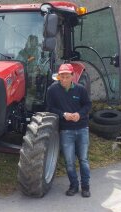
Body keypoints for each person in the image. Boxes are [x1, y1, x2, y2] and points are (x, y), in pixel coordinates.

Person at [46, 63, 92, 197]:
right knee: (69, 161)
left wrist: (80, 114)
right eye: (62, 76)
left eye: (67, 76)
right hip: (66, 131)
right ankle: (74, 186)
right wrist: (64, 114)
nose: (64, 79)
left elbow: (88, 104)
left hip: (82, 129)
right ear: (58, 77)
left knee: (83, 159)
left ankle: (85, 187)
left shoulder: (80, 90)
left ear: (73, 76)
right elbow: (50, 108)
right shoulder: (52, 90)